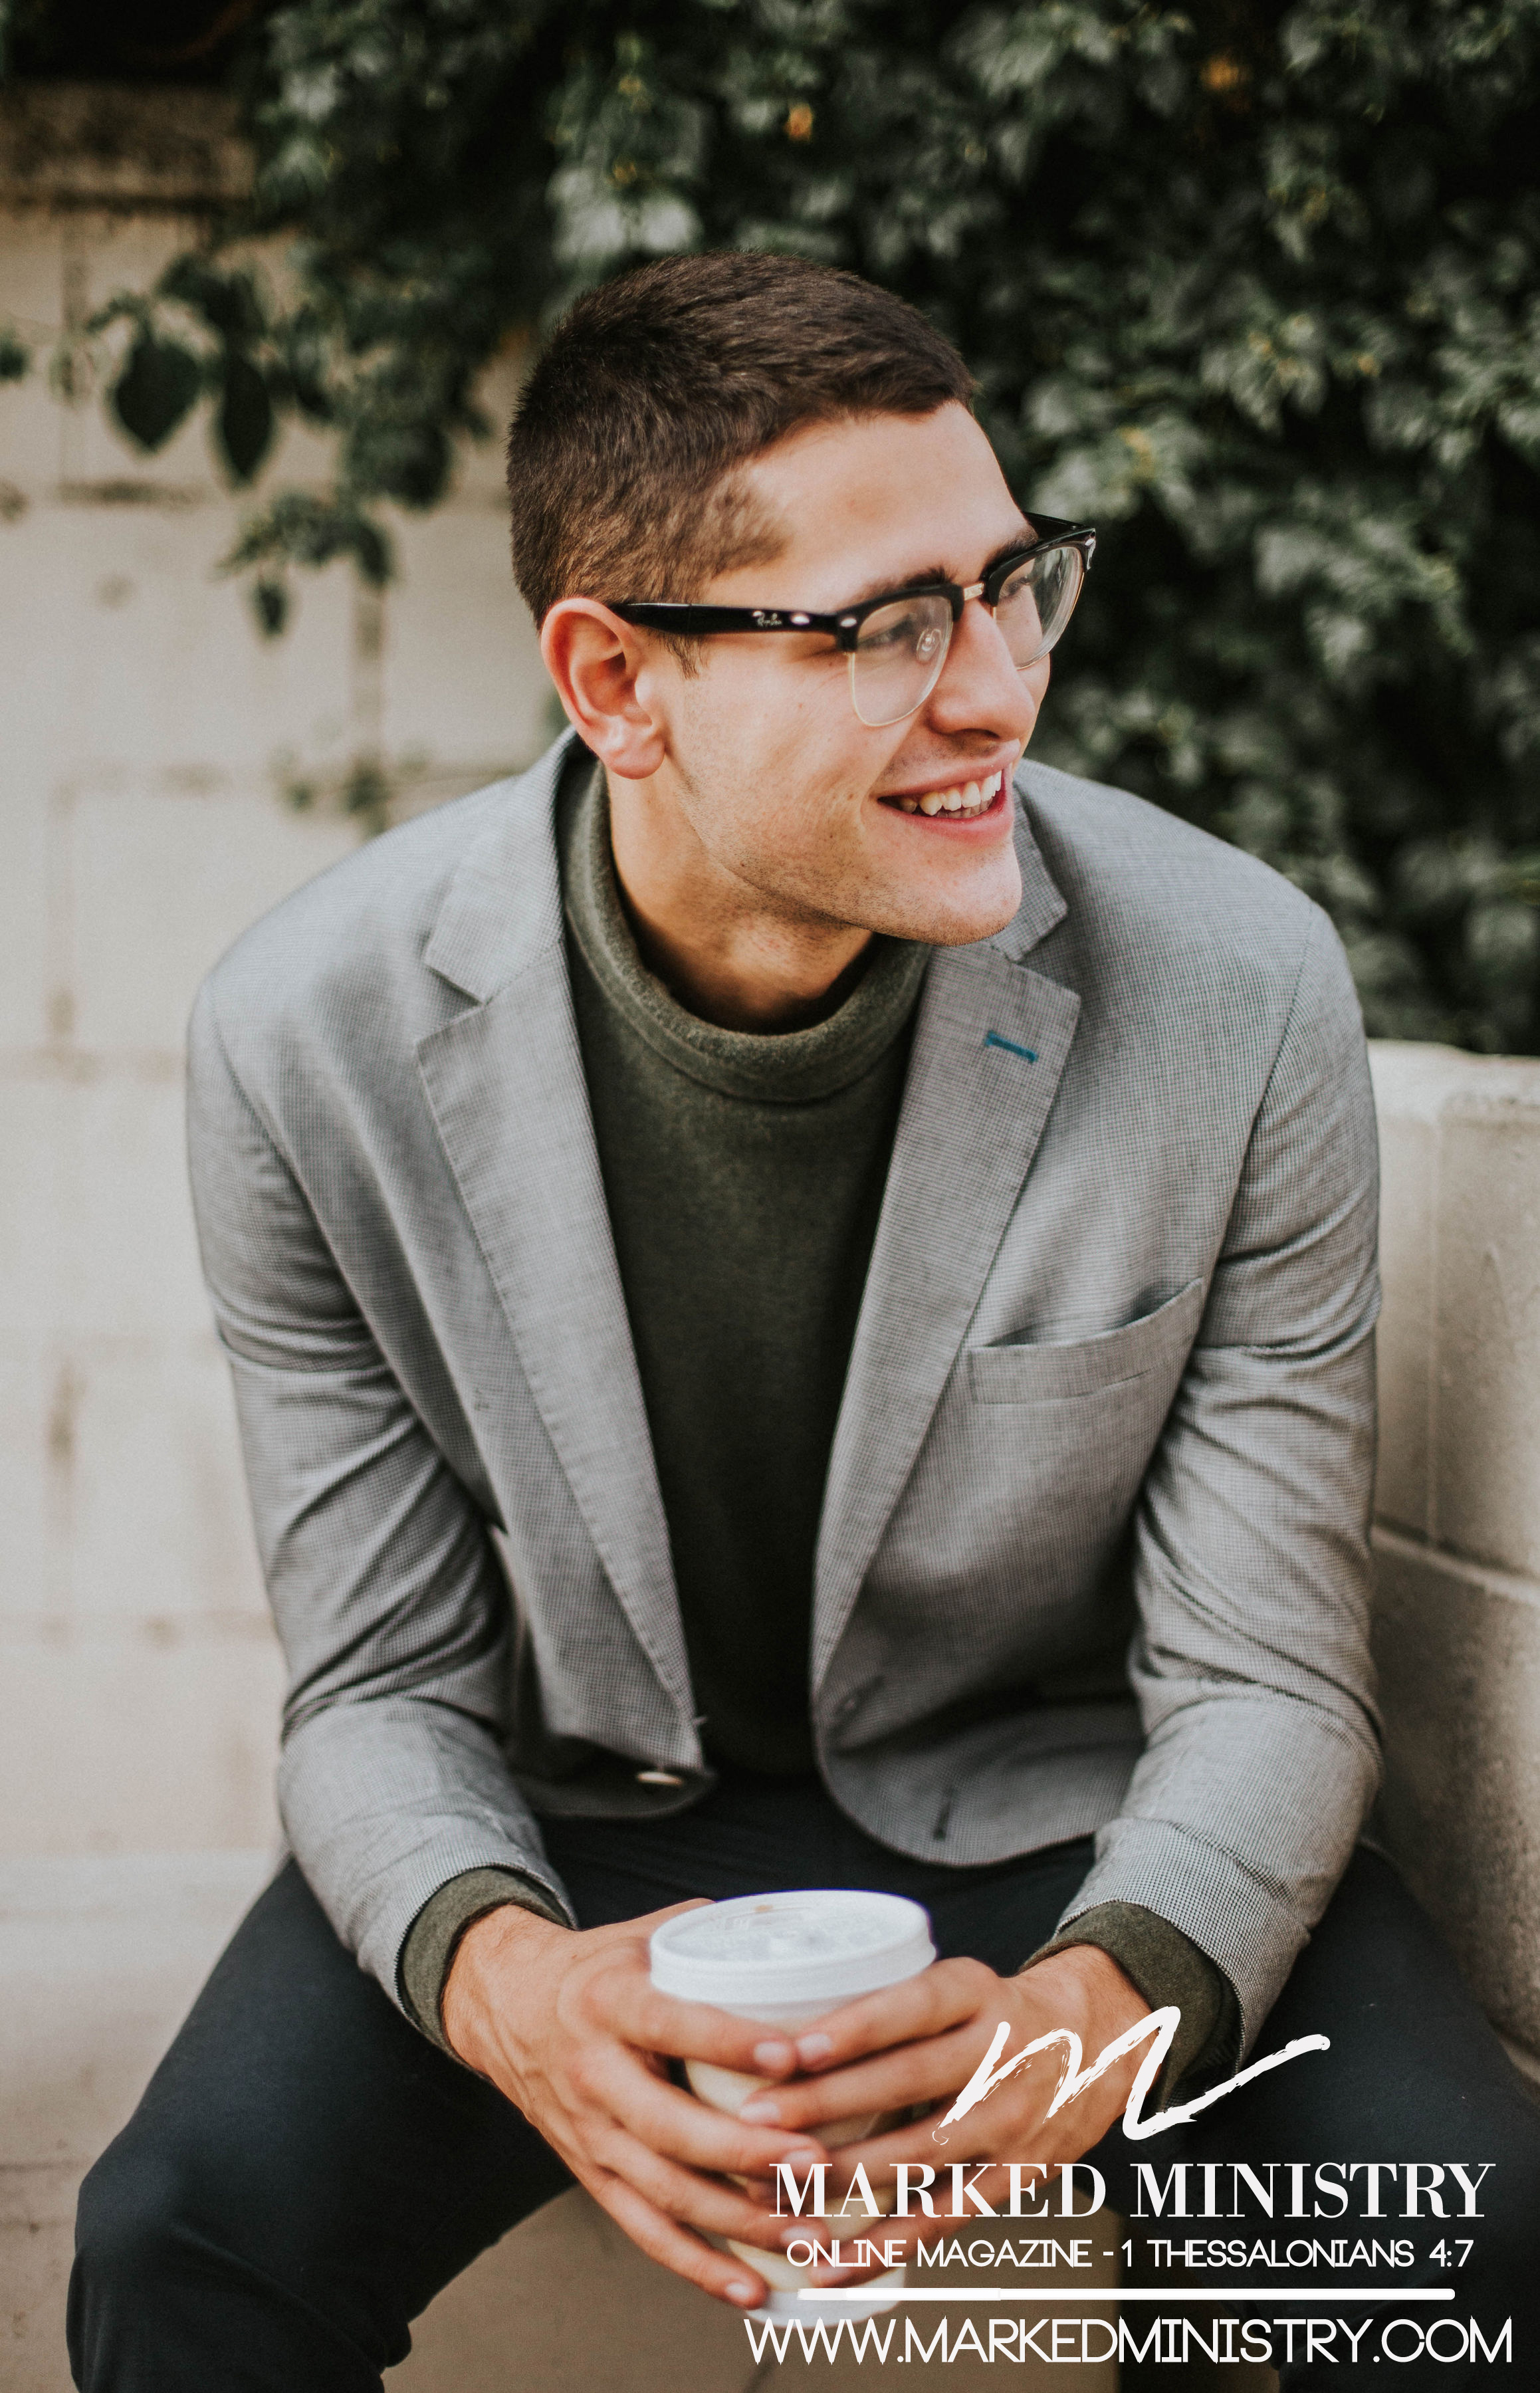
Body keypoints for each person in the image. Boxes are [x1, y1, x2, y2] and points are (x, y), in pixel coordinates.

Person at [69, 253, 1536, 2392]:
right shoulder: (309, 1039)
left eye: (1015, 586)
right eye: (890, 626)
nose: (1002, 691)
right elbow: (378, 1684)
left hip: (1069, 1812)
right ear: (617, 680)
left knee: (1443, 2232)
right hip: (589, 1831)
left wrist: (1082, 2023)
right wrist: (517, 1994)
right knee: (181, 2241)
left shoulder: (1239, 990)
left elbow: (1271, 1685)